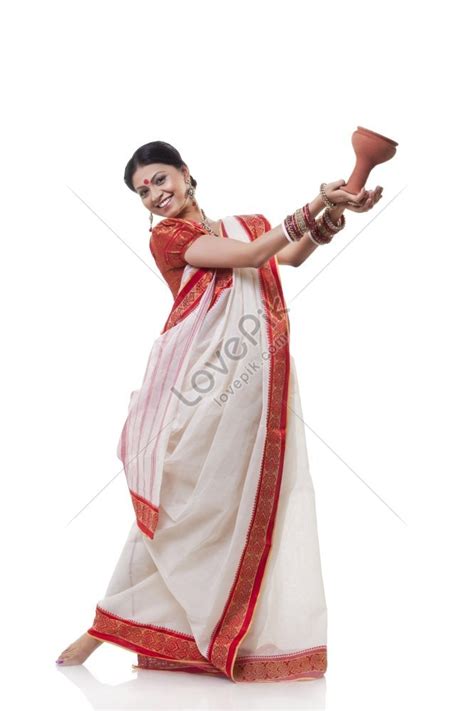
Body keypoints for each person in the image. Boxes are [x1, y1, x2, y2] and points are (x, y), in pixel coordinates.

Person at [56, 141, 382, 682]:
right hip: (201, 387)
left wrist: (333, 209)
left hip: (253, 382)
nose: (155, 196)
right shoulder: (170, 238)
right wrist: (313, 202)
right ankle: (103, 626)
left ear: (186, 175)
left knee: (230, 503)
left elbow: (290, 255)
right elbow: (255, 258)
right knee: (178, 501)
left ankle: (150, 626)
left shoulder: (238, 225)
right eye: (143, 192)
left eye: (160, 180)